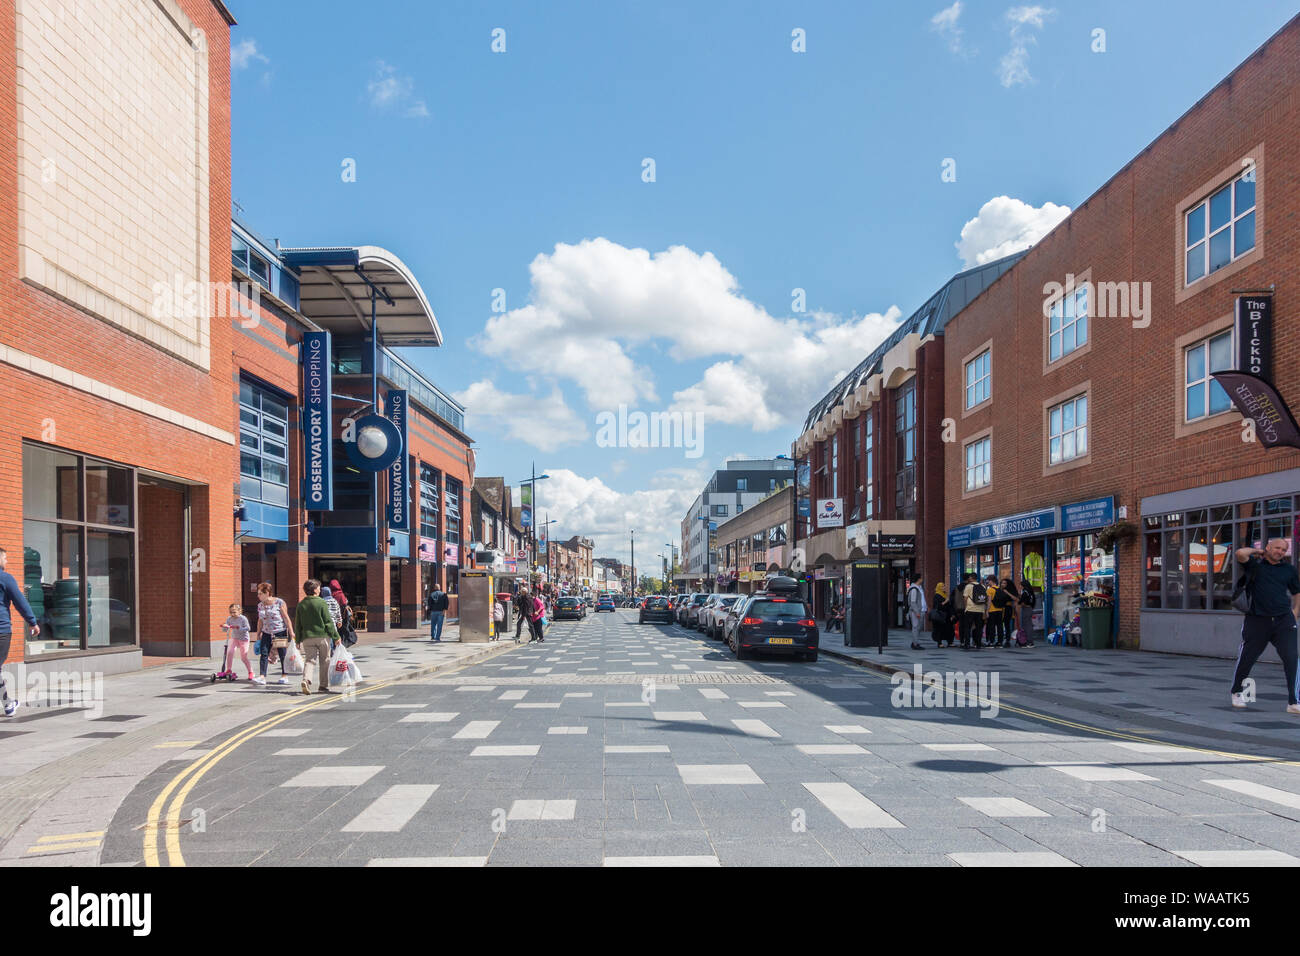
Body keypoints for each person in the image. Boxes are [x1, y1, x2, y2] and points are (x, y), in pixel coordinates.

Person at [1229, 539, 1300, 713]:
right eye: (1277, 548)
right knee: (1247, 657)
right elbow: (1239, 553)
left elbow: (1297, 592)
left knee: (1292, 659)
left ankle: (1294, 701)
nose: (1280, 552)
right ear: (1267, 547)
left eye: (1283, 550)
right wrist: (1257, 551)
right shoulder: (1255, 566)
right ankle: (1237, 691)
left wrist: (1295, 612)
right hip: (1257, 620)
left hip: (1284, 621)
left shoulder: (1289, 570)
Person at [0, 547, 40, 717]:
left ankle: (8, 703)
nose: (7, 562)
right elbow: (20, 602)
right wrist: (32, 622)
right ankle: (8, 704)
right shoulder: (6, 578)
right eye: (5, 558)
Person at [293, 579, 341, 695]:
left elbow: (298, 624)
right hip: (322, 636)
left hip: (307, 637)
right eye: (318, 588)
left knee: (310, 660)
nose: (320, 590)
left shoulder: (301, 604)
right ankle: (323, 686)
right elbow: (328, 621)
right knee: (325, 661)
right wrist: (336, 636)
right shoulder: (321, 602)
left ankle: (306, 680)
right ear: (315, 590)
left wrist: (298, 640)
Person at [255, 582, 295, 685]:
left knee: (282, 654)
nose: (258, 596)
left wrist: (291, 631)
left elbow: (286, 618)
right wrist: (258, 632)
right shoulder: (260, 605)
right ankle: (262, 676)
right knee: (264, 653)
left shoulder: (279, 602)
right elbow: (260, 620)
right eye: (258, 593)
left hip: (279, 631)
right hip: (266, 632)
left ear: (267, 593)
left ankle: (284, 676)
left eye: (260, 593)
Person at [220, 603, 254, 682]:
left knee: (244, 657)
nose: (232, 614)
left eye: (234, 612)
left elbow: (248, 628)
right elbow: (226, 629)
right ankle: (228, 669)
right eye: (231, 612)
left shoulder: (243, 618)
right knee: (230, 652)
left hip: (244, 639)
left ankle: (250, 671)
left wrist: (239, 628)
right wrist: (225, 627)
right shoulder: (229, 618)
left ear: (239, 611)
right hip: (235, 638)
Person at [961, 573, 987, 650]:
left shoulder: (968, 586)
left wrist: (966, 608)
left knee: (968, 627)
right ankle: (978, 644)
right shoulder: (982, 586)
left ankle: (967, 644)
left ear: (971, 578)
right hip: (980, 610)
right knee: (979, 628)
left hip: (970, 609)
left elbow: (965, 598)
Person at [931, 582, 955, 647]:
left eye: (944, 586)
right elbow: (937, 606)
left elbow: (950, 606)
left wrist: (952, 614)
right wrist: (945, 602)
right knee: (939, 629)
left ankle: (950, 642)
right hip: (940, 615)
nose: (944, 587)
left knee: (949, 629)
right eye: (942, 586)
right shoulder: (937, 596)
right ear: (939, 588)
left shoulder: (945, 594)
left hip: (947, 615)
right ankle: (939, 643)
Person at [906, 576, 927, 650]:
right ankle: (915, 644)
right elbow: (913, 602)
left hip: (921, 610)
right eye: (921, 578)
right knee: (915, 627)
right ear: (918, 579)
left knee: (918, 628)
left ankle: (915, 642)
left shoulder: (919, 588)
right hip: (916, 612)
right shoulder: (914, 589)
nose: (922, 579)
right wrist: (917, 612)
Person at [1017, 579, 1037, 647]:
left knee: (1027, 626)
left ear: (1023, 585)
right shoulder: (1031, 592)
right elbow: (1033, 601)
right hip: (1030, 608)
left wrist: (1021, 603)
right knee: (1029, 625)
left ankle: (1029, 642)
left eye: (1021, 585)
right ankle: (1029, 641)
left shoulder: (1025, 592)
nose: (1020, 586)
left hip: (1026, 609)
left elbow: (1022, 602)